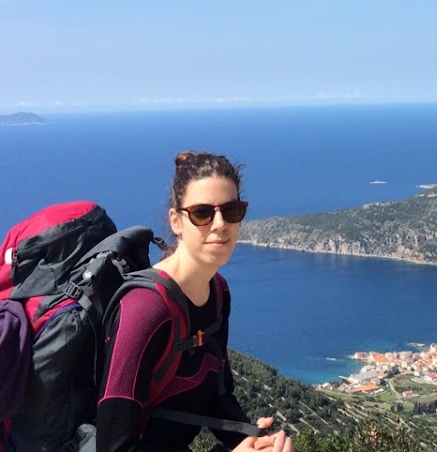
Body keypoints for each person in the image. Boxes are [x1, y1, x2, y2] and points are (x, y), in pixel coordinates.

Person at [97, 151, 292, 452]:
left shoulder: (218, 292)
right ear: (176, 221)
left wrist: (255, 441)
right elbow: (114, 447)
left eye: (231, 210)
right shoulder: (144, 310)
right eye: (202, 213)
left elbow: (217, 397)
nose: (220, 224)